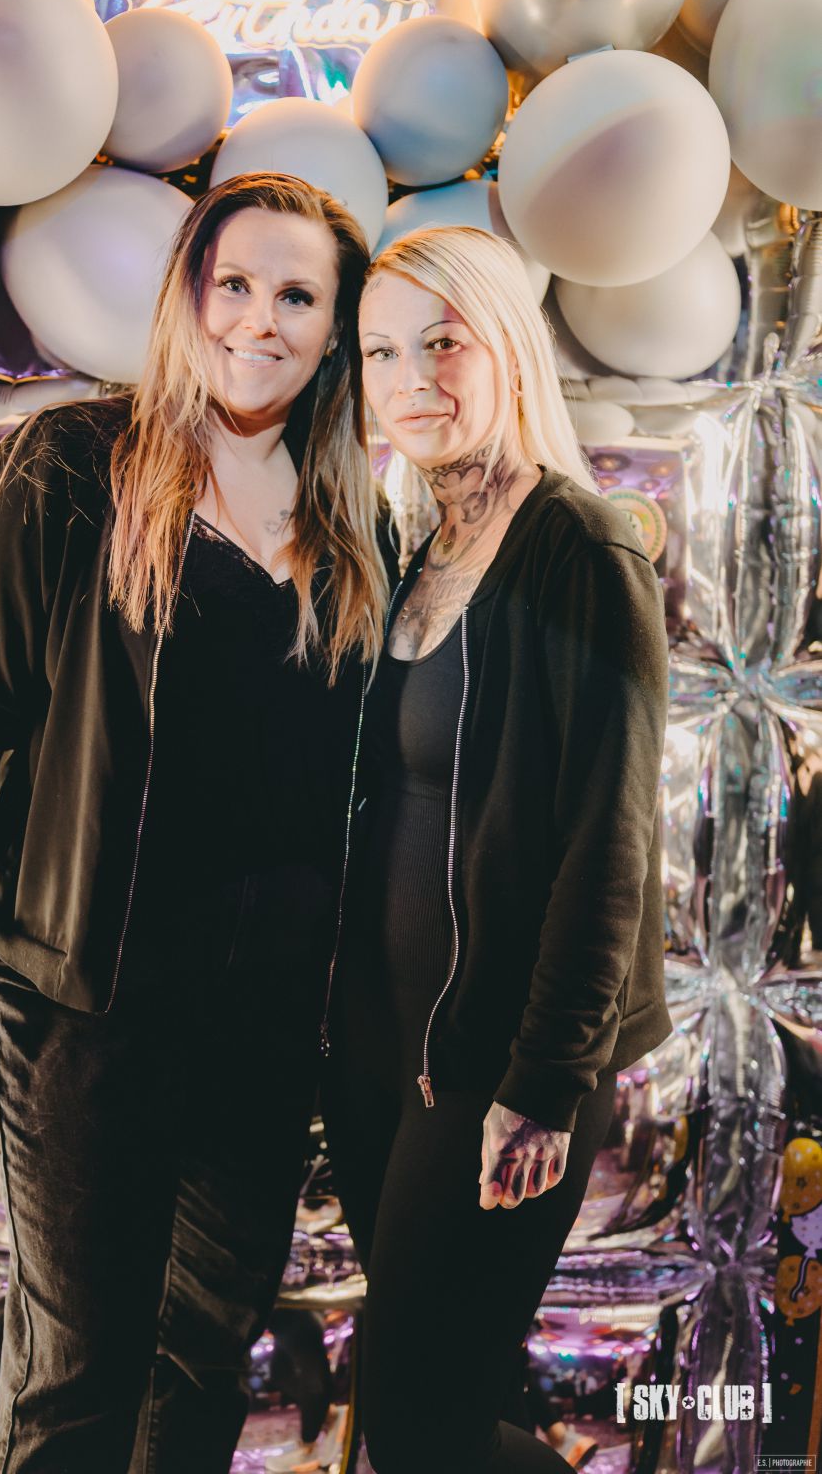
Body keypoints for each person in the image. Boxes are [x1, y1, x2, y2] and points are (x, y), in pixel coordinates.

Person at [0, 172, 396, 1474]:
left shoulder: (356, 526)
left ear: (334, 330)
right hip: (82, 1005)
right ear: (187, 295)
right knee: (78, 1376)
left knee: (209, 1354)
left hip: (267, 1018)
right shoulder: (72, 465)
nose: (259, 320)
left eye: (297, 296)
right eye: (235, 283)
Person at [321, 225, 673, 1472]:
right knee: (424, 1413)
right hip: (385, 1052)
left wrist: (544, 1080)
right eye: (379, 353)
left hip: (496, 1060)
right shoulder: (416, 546)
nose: (410, 378)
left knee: (422, 1420)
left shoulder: (580, 547)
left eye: (442, 342)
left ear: (507, 345)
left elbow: (610, 837)